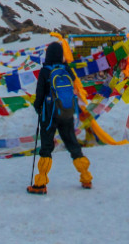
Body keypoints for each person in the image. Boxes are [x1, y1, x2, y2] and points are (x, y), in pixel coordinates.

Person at [27, 42, 92, 194]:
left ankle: (40, 183)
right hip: (66, 112)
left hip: (49, 115)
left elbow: (40, 95)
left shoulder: (45, 71)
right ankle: (86, 177)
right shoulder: (67, 70)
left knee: (46, 148)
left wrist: (39, 110)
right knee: (72, 144)